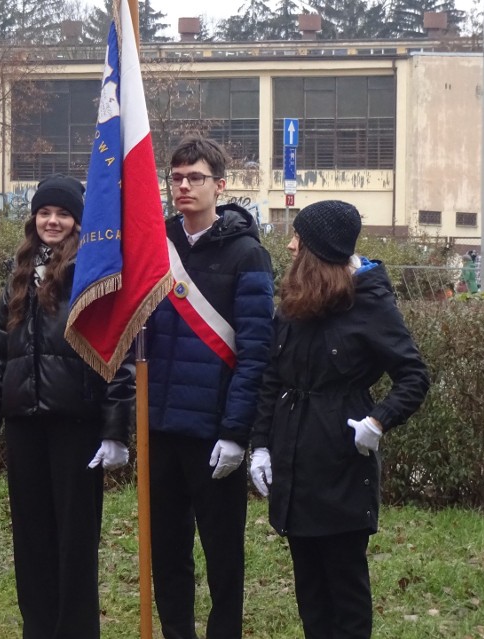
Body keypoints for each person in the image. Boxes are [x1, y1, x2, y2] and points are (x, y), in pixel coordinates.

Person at [248, 200, 429, 639]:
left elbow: (413, 376)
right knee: (309, 589)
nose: (289, 246)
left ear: (320, 251)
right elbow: (273, 376)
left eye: (299, 239)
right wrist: (261, 445)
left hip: (343, 465)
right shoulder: (292, 302)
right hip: (294, 463)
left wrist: (378, 421)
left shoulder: (369, 302)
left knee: (345, 589)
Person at [0, 174, 135, 639]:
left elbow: (116, 356)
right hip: (25, 426)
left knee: (75, 545)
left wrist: (115, 430)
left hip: (75, 428)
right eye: (45, 212)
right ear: (34, 218)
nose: (53, 221)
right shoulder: (19, 272)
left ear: (78, 222)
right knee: (32, 541)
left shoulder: (92, 273)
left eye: (63, 214)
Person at [146, 136, 274, 639]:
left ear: (219, 186)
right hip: (160, 426)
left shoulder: (247, 255)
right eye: (175, 177)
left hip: (213, 431)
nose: (183, 186)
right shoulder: (155, 245)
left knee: (223, 554)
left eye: (194, 177)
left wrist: (236, 432)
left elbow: (256, 353)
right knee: (167, 551)